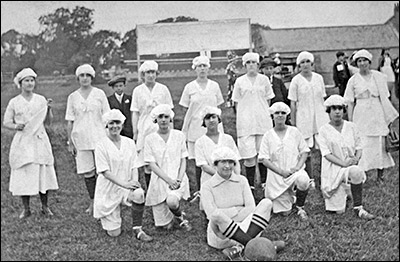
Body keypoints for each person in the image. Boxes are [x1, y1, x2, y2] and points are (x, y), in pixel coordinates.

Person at [200, 146, 285, 260]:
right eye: (223, 162)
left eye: (231, 162)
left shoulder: (242, 180)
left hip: (246, 227)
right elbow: (212, 215)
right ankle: (264, 246)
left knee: (267, 203)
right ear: (215, 164)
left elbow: (251, 208)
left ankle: (239, 248)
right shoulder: (207, 186)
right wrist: (237, 210)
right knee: (217, 215)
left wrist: (229, 214)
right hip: (221, 235)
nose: (227, 166)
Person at [3, 68, 59, 219]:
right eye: (26, 80)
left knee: (42, 171)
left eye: (32, 80)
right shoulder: (14, 102)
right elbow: (6, 122)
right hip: (23, 141)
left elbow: (48, 122)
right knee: (25, 171)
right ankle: (26, 208)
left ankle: (45, 206)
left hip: (39, 139)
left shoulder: (41, 100)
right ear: (20, 83)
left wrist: (49, 110)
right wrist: (16, 126)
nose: (30, 83)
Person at [93, 109, 153, 240]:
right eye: (111, 123)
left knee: (139, 194)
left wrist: (133, 185)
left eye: (117, 122)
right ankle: (108, 218)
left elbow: (134, 165)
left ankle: (138, 229)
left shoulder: (129, 142)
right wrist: (125, 184)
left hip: (126, 186)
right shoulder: (101, 145)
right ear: (106, 125)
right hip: (108, 189)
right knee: (114, 233)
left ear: (122, 124)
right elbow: (105, 172)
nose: (115, 126)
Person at [344, 49, 398, 183]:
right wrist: (351, 122)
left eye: (364, 61)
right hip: (361, 113)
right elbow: (349, 102)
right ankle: (361, 175)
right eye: (359, 61)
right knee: (362, 142)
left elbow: (385, 99)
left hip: (377, 111)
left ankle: (380, 176)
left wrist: (388, 121)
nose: (362, 63)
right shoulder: (353, 80)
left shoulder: (378, 77)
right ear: (356, 63)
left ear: (369, 62)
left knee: (379, 142)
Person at [317, 95, 375, 219]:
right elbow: (326, 154)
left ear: (344, 110)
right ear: (329, 111)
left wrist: (356, 159)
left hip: (349, 167)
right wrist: (343, 163)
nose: (337, 112)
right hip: (333, 170)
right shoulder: (323, 130)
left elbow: (359, 147)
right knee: (339, 212)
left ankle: (358, 208)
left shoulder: (352, 127)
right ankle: (346, 192)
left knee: (356, 171)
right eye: (334, 109)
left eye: (340, 108)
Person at [66, 63, 110, 215]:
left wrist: (109, 138)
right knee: (88, 172)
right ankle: (92, 202)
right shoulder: (73, 97)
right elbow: (70, 121)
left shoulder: (99, 94)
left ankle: (104, 201)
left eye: (87, 76)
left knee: (103, 171)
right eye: (82, 76)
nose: (85, 78)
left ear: (92, 77)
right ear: (78, 78)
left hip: (99, 137)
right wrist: (70, 142)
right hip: (81, 139)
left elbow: (107, 117)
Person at [179, 55, 225, 195]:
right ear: (195, 69)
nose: (202, 69)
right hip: (196, 128)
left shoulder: (214, 86)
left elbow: (218, 107)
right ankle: (200, 190)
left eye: (205, 66)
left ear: (208, 68)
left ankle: (219, 185)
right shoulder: (189, 87)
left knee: (216, 156)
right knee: (199, 159)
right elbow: (185, 108)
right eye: (199, 66)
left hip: (213, 126)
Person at [143, 104, 192, 232]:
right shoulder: (149, 139)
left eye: (166, 117)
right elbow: (152, 164)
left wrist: (179, 180)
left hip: (177, 177)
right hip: (160, 180)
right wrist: (168, 180)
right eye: (160, 117)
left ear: (170, 119)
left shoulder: (179, 135)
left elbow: (183, 160)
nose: (164, 120)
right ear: (156, 120)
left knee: (172, 202)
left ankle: (180, 216)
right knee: (165, 227)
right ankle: (172, 216)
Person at [258, 102, 311, 220]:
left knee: (303, 181)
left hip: (293, 172)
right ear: (272, 116)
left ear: (287, 115)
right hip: (277, 176)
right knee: (284, 213)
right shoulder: (268, 135)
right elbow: (264, 160)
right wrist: (281, 172)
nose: (280, 115)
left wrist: (297, 167)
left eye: (283, 113)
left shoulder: (294, 131)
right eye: (277, 113)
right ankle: (288, 197)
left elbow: (304, 151)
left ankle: (300, 207)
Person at [232, 52, 275, 194]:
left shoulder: (264, 80)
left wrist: (263, 113)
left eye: (254, 63)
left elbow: (268, 100)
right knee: (249, 157)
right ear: (244, 65)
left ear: (258, 65)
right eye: (248, 63)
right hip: (245, 123)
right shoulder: (240, 81)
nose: (251, 65)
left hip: (263, 122)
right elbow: (236, 103)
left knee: (263, 155)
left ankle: (263, 182)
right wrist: (244, 117)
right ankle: (250, 185)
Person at [288, 51, 329, 187]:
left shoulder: (319, 78)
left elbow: (322, 98)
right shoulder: (296, 80)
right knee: (306, 150)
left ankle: (326, 177)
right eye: (302, 63)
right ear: (299, 66)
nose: (305, 65)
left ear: (312, 64)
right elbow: (293, 103)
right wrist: (293, 122)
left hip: (320, 116)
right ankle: (310, 178)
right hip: (303, 117)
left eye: (307, 62)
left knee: (325, 148)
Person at [130, 60, 174, 189]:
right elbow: (135, 112)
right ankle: (151, 190)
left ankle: (165, 188)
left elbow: (170, 111)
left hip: (161, 128)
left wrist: (172, 130)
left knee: (163, 159)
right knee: (147, 162)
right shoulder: (138, 91)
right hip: (145, 128)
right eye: (148, 72)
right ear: (143, 75)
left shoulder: (163, 89)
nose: (150, 75)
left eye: (153, 72)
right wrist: (135, 132)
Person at [194, 106, 241, 208]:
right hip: (210, 179)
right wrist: (220, 176)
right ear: (203, 122)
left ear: (218, 119)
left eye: (213, 117)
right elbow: (203, 165)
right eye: (207, 118)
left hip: (229, 178)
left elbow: (236, 161)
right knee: (211, 210)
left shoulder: (227, 139)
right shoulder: (200, 142)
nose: (211, 120)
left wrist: (236, 177)